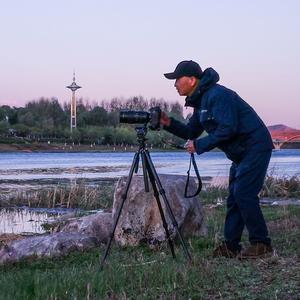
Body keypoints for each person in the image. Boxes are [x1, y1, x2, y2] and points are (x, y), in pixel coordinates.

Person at [161, 60, 274, 259]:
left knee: (244, 194)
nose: (175, 84)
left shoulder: (217, 95)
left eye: (177, 79)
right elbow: (191, 131)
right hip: (241, 152)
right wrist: (168, 123)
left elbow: (228, 128)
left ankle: (262, 244)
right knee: (234, 197)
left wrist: (200, 146)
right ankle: (231, 246)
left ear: (192, 79)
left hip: (254, 146)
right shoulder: (201, 102)